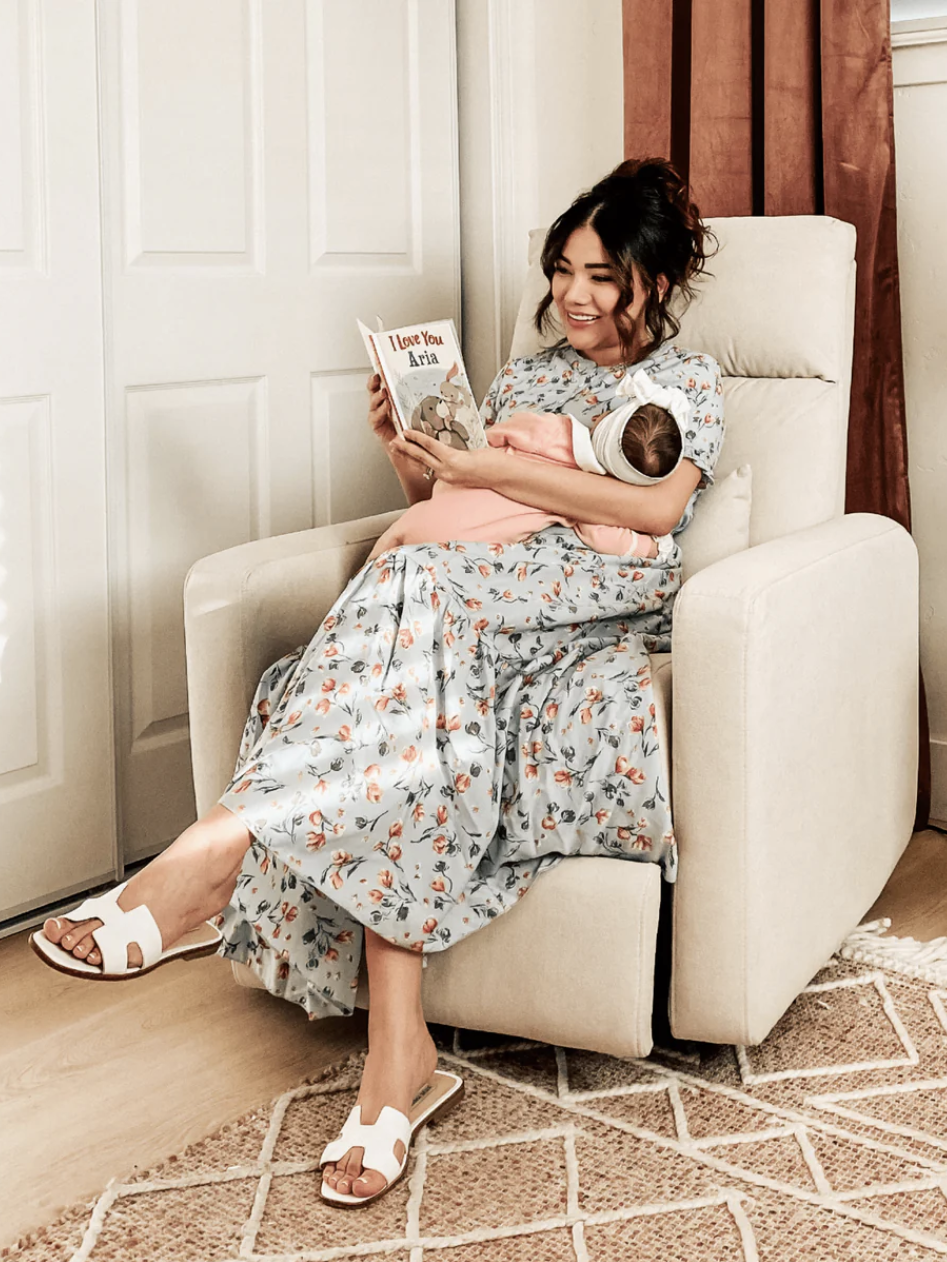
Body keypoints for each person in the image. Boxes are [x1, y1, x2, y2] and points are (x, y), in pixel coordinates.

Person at [29, 157, 724, 1207]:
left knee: (409, 578)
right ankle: (398, 1056)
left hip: (582, 593)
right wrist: (408, 451)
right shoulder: (528, 374)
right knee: (417, 674)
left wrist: (488, 474)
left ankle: (217, 847)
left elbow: (653, 512)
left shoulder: (678, 386)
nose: (575, 294)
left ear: (654, 282)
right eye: (563, 269)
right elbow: (451, 499)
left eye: (602, 273)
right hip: (463, 581)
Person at [368, 367, 690, 561]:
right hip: (466, 546)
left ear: (607, 418)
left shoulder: (551, 428)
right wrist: (652, 549)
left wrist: (483, 448)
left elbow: (491, 439)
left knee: (371, 576)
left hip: (428, 516)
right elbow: (605, 538)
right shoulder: (588, 500)